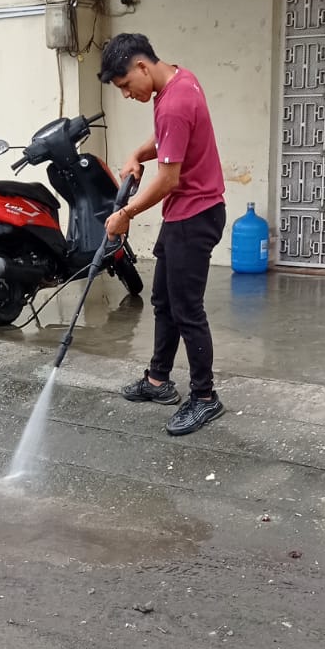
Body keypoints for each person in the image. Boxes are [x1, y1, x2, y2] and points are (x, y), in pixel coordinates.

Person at [99, 34, 226, 437]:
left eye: (125, 85)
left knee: (187, 309)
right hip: (184, 215)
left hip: (195, 216)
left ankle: (205, 397)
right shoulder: (180, 79)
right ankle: (158, 380)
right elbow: (170, 138)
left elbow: (169, 179)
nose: (126, 94)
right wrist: (137, 154)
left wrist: (125, 214)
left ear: (141, 67)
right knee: (164, 301)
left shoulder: (173, 102)